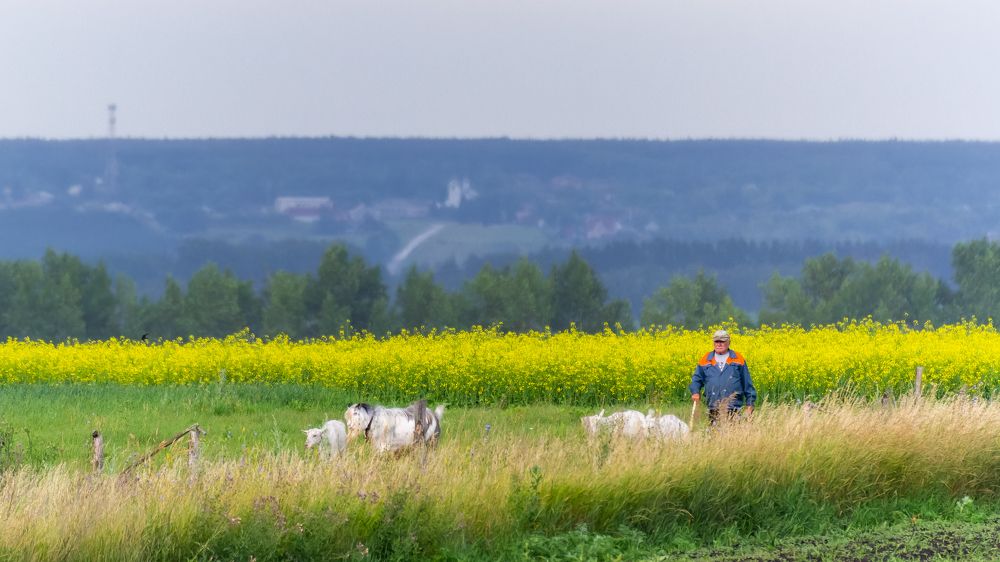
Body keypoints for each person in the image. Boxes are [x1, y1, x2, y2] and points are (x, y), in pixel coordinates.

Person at [689, 329, 757, 425]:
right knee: (714, 436)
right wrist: (695, 392)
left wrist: (750, 404)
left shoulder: (738, 359)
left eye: (722, 341)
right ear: (713, 342)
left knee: (733, 437)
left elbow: (747, 383)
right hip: (713, 408)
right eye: (717, 341)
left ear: (729, 342)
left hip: (734, 408)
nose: (719, 344)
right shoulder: (706, 359)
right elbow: (696, 379)